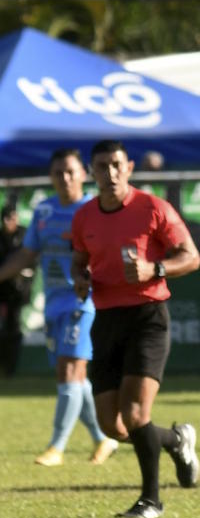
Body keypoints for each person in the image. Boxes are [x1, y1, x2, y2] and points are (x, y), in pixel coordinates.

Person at [70, 139, 200, 518]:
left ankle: (151, 501)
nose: (109, 173)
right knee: (113, 427)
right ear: (90, 172)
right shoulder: (85, 217)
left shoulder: (153, 208)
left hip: (148, 316)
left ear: (128, 167)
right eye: (101, 166)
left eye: (116, 165)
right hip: (106, 319)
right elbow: (79, 262)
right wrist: (80, 279)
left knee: (134, 413)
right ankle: (176, 440)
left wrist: (154, 269)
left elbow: (190, 256)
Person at [0, 150, 118, 465]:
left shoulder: (94, 210)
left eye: (70, 172)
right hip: (53, 303)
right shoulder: (44, 212)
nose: (64, 178)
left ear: (83, 174)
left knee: (69, 369)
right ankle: (101, 439)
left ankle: (57, 447)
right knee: (73, 377)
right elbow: (27, 255)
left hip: (84, 301)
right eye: (57, 173)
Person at [0, 205, 30, 376]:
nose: (8, 222)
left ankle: (11, 368)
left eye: (11, 217)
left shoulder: (25, 235)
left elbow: (30, 260)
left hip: (18, 293)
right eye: (5, 218)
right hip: (2, 292)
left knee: (14, 330)